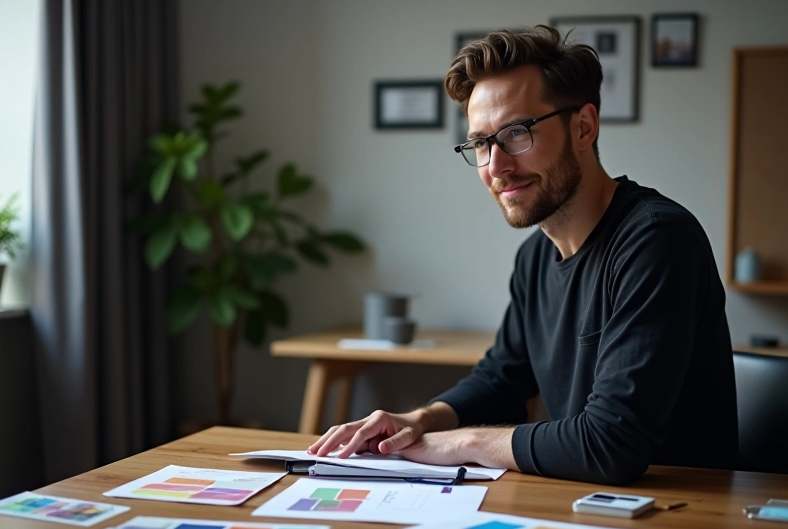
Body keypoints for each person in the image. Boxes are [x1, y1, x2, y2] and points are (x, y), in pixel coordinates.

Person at [308, 25, 740, 485]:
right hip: (586, 505)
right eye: (479, 143)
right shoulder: (537, 256)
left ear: (584, 127)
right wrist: (421, 419)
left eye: (516, 133)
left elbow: (611, 444)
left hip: (687, 515)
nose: (495, 165)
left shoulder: (656, 241)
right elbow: (501, 380)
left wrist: (464, 443)